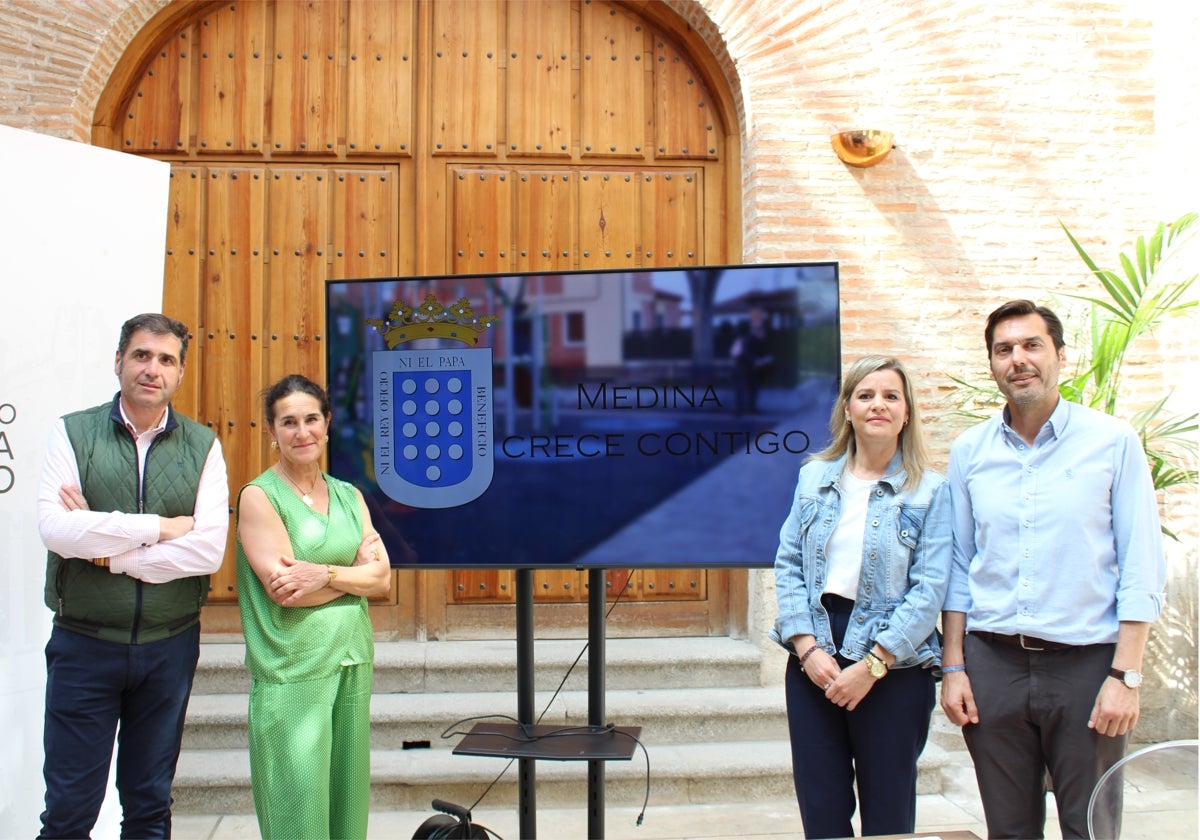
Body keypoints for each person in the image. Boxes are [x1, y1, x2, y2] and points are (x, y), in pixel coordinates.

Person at [940, 299, 1166, 839]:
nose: (1018, 359)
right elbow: (956, 562)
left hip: (1087, 668)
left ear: (1060, 356)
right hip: (993, 666)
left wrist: (1125, 677)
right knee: (1009, 830)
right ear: (992, 365)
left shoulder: (1113, 442)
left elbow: (1142, 563)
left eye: (1031, 345)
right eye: (1004, 350)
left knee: (1090, 828)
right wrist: (954, 668)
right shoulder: (969, 451)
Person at [36, 312, 230, 838]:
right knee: (70, 809)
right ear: (118, 361)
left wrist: (104, 549)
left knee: (148, 807)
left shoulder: (203, 446)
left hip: (168, 648)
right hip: (84, 646)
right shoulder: (73, 433)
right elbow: (57, 530)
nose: (153, 369)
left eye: (166, 359)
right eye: (142, 355)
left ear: (180, 373)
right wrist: (162, 527)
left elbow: (208, 551)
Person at [771, 355, 952, 838]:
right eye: (865, 395)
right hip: (815, 649)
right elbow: (788, 564)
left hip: (895, 661)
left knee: (888, 810)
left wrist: (874, 665)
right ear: (847, 408)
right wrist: (806, 649)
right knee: (821, 803)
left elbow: (930, 588)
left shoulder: (931, 492)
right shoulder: (814, 477)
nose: (878, 405)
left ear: (907, 412)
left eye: (891, 396)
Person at [236, 374, 391, 839]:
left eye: (310, 419)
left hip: (351, 661)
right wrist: (353, 580)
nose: (301, 432)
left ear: (327, 424)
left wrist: (322, 574)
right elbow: (287, 591)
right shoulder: (260, 497)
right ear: (271, 431)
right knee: (297, 815)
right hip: (292, 671)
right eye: (288, 422)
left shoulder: (350, 495)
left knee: (347, 810)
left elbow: (382, 579)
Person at [731, 305, 772, 415]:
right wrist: (756, 360)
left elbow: (758, 353)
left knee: (752, 389)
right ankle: (740, 410)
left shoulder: (757, 341)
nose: (764, 335)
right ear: (758, 332)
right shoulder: (748, 340)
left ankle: (750, 408)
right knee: (742, 389)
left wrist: (763, 359)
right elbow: (745, 353)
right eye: (762, 333)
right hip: (742, 368)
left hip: (749, 368)